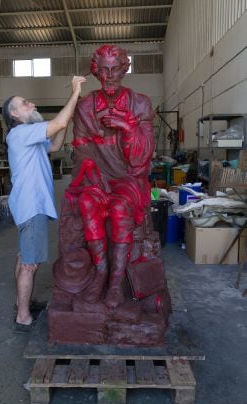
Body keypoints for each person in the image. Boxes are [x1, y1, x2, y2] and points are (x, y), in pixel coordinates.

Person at [54, 45, 155, 309]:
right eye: (103, 70)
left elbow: (141, 159)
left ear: (125, 69)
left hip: (128, 179)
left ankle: (115, 281)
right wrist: (93, 176)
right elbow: (82, 149)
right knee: (88, 203)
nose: (109, 76)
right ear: (96, 71)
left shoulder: (141, 103)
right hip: (96, 177)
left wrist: (127, 126)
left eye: (115, 69)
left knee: (120, 209)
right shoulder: (86, 106)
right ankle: (100, 272)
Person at [2, 75, 86, 332]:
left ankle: (21, 304)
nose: (32, 104)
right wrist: (74, 92)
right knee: (30, 263)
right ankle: (23, 318)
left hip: (28, 205)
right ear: (14, 114)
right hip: (31, 205)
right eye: (25, 103)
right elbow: (57, 122)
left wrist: (67, 124)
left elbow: (55, 144)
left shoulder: (29, 136)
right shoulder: (20, 133)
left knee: (23, 257)